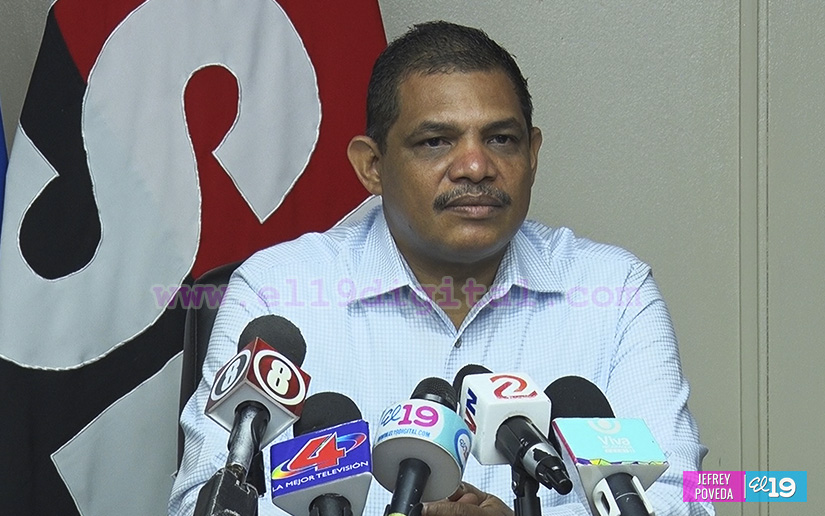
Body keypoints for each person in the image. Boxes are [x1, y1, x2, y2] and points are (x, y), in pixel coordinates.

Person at [170, 21, 714, 516]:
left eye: (501, 139)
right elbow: (202, 502)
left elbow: (685, 498)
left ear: (532, 154)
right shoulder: (275, 294)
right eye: (436, 142)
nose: (476, 166)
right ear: (372, 166)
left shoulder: (616, 293)